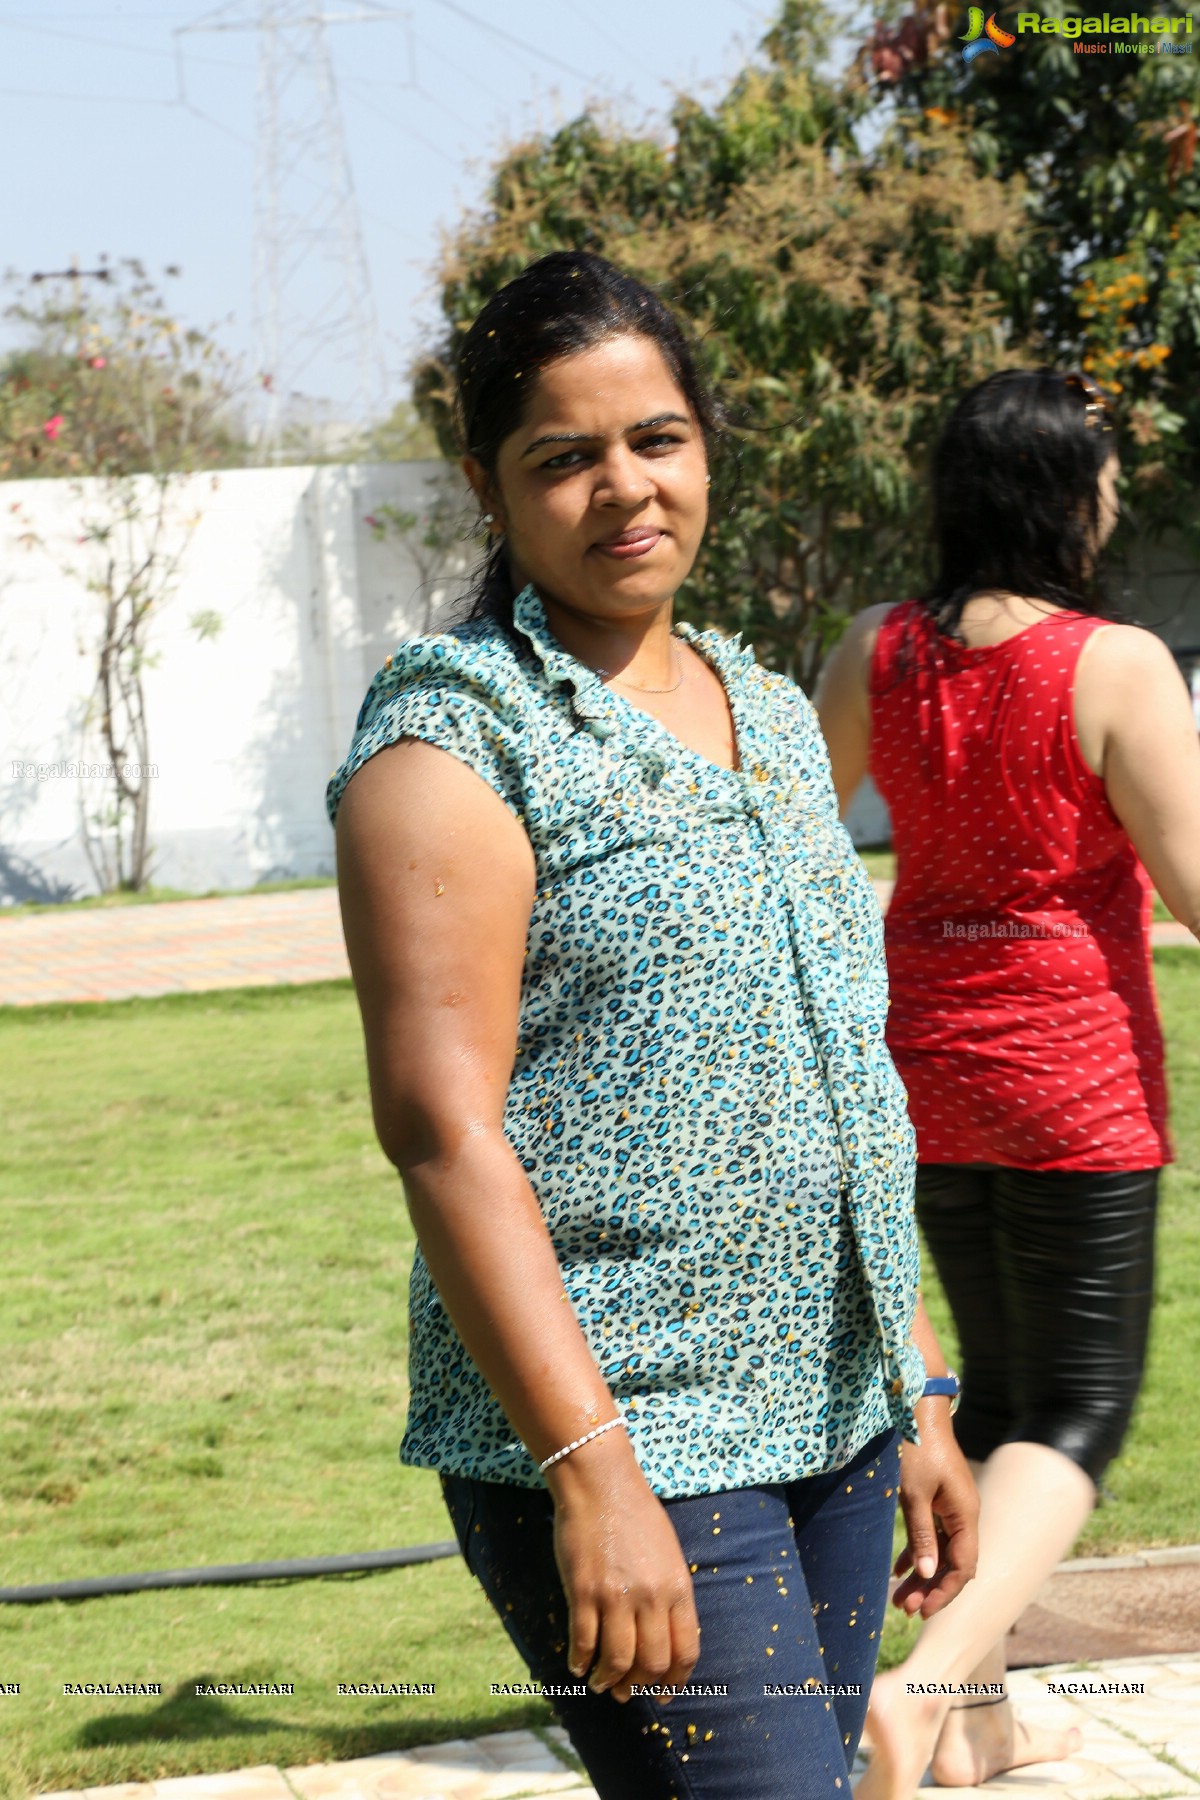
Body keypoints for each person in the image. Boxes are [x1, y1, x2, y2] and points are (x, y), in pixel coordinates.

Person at [328, 251, 977, 1800]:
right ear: (489, 485)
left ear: (704, 446)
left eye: (656, 440)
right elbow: (441, 1129)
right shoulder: (456, 744)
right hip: (632, 1437)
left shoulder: (761, 707)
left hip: (829, 1420)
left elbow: (840, 1074)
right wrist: (592, 1473)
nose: (623, 489)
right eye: (564, 457)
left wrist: (921, 1387)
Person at [816, 367, 1200, 1798]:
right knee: (1082, 1410)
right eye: (1101, 472)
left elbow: (794, 838)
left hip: (923, 1075)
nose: (1113, 497)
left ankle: (975, 1721)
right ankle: (915, 1700)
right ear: (1063, 494)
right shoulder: (1116, 663)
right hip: (1074, 1084)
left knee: (991, 1402)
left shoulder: (877, 650)